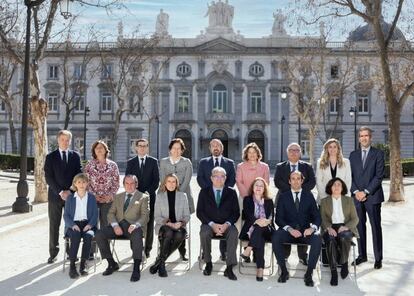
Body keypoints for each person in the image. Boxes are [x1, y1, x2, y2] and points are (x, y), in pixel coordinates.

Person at [95, 175, 149, 282]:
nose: (129, 186)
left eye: (132, 183)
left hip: (133, 228)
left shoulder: (143, 197)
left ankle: (136, 268)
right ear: (123, 185)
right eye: (127, 184)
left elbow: (145, 216)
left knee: (137, 234)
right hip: (118, 227)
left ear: (136, 184)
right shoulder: (118, 196)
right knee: (99, 234)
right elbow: (110, 214)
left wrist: (136, 225)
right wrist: (115, 225)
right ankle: (112, 264)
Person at [272, 171, 321, 287]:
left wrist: (312, 228)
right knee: (276, 236)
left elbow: (317, 217)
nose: (295, 181)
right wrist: (289, 229)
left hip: (305, 232)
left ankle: (309, 274)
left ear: (302, 181)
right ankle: (283, 271)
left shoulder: (309, 196)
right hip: (289, 232)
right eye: (293, 178)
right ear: (289, 181)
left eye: (298, 178)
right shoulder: (283, 196)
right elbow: (278, 218)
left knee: (317, 238)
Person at [274, 142, 316, 265]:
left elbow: (312, 182)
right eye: (291, 150)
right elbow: (277, 182)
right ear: (287, 152)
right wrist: (292, 191)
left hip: (303, 201)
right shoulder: (280, 166)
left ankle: (303, 256)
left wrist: (299, 191)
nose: (294, 152)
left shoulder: (307, 166)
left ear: (300, 152)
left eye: (296, 150)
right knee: (286, 225)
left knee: (302, 225)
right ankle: (285, 255)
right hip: (284, 200)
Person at [44, 129, 82, 264]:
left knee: (71, 225)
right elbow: (48, 177)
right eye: (62, 140)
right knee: (54, 225)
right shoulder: (50, 157)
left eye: (67, 140)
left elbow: (79, 175)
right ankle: (53, 253)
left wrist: (71, 191)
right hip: (55, 196)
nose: (65, 142)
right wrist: (61, 192)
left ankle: (70, 252)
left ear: (70, 141)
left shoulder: (75, 156)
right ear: (58, 140)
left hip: (71, 196)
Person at [349, 126, 384, 269]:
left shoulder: (378, 154)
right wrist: (356, 191)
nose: (364, 138)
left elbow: (379, 176)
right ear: (359, 138)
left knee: (375, 227)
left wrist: (366, 192)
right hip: (356, 198)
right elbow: (349, 176)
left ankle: (378, 258)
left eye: (366, 136)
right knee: (359, 227)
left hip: (373, 197)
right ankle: (362, 255)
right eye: (361, 136)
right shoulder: (353, 155)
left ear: (370, 138)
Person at [196, 167, 240, 281]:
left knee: (234, 233)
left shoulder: (231, 192)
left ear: (225, 178)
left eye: (222, 176)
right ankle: (208, 262)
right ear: (211, 178)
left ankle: (229, 267)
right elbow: (200, 212)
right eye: (216, 176)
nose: (219, 179)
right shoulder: (204, 192)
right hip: (209, 224)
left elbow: (236, 213)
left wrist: (226, 224)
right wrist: (212, 224)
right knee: (204, 233)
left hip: (226, 224)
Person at [197, 138, 236, 261]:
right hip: (208, 199)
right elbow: (200, 178)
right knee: (206, 225)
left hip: (225, 199)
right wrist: (211, 192)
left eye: (218, 145)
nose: (216, 147)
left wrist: (222, 190)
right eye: (213, 145)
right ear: (210, 148)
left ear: (222, 148)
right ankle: (205, 252)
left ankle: (223, 252)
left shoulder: (229, 163)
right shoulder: (203, 162)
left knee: (224, 221)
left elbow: (232, 180)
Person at [320, 177, 359, 286]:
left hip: (345, 227)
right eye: (334, 185)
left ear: (342, 188)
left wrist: (346, 227)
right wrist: (328, 228)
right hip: (330, 227)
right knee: (331, 240)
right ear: (330, 188)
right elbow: (322, 218)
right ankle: (333, 273)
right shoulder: (324, 201)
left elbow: (355, 218)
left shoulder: (349, 200)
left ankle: (344, 263)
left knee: (343, 237)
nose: (336, 187)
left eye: (339, 185)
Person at [159, 138, 194, 261]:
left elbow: (187, 179)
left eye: (179, 148)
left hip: (183, 196)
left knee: (181, 224)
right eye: (174, 148)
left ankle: (182, 251)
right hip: (166, 195)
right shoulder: (163, 162)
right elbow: (163, 179)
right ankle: (163, 251)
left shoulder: (187, 162)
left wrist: (178, 194)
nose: (176, 150)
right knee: (166, 222)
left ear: (182, 150)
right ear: (170, 149)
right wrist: (169, 190)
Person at [150, 174, 190, 277]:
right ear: (165, 183)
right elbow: (157, 216)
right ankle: (161, 264)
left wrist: (180, 223)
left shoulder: (183, 196)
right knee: (168, 232)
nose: (171, 184)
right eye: (169, 181)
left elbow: (187, 215)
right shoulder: (159, 196)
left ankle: (160, 261)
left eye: (173, 182)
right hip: (164, 226)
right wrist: (169, 223)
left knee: (180, 235)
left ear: (176, 184)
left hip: (179, 226)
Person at [125, 138, 160, 258]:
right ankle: (135, 248)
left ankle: (147, 249)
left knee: (149, 224)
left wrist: (146, 193)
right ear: (136, 148)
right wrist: (136, 193)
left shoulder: (153, 161)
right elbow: (127, 180)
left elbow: (156, 181)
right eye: (140, 146)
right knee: (133, 222)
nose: (142, 148)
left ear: (147, 148)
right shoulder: (131, 162)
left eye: (145, 146)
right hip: (134, 198)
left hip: (150, 197)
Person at [239, 177, 274, 281]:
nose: (258, 187)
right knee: (260, 234)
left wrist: (266, 221)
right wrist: (258, 221)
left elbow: (272, 216)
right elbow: (249, 215)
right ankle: (260, 269)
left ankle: (248, 249)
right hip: (251, 228)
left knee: (260, 228)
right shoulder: (247, 199)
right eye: (256, 185)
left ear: (264, 189)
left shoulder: (269, 201)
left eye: (261, 186)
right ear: (252, 188)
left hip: (267, 229)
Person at [63, 173, 98, 279]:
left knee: (88, 236)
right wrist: (73, 225)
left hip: (88, 224)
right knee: (76, 235)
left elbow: (95, 215)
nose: (81, 184)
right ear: (75, 184)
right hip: (73, 225)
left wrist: (90, 225)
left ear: (87, 183)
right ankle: (72, 266)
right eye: (79, 182)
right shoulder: (70, 198)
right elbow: (66, 215)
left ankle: (83, 265)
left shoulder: (91, 197)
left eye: (84, 182)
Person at [84, 140, 120, 228]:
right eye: (97, 148)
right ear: (94, 151)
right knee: (92, 223)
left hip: (108, 199)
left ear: (105, 150)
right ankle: (93, 241)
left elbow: (116, 182)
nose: (99, 149)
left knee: (106, 224)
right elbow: (86, 182)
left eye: (101, 147)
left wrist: (110, 195)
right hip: (93, 199)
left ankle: (105, 241)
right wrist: (93, 196)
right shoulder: (89, 165)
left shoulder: (113, 165)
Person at [316, 138, 352, 203]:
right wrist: (325, 198)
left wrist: (341, 196)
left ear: (338, 149)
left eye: (335, 147)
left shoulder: (346, 162)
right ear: (327, 149)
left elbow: (348, 181)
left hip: (342, 198)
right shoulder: (320, 162)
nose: (332, 149)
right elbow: (319, 182)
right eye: (330, 147)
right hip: (324, 199)